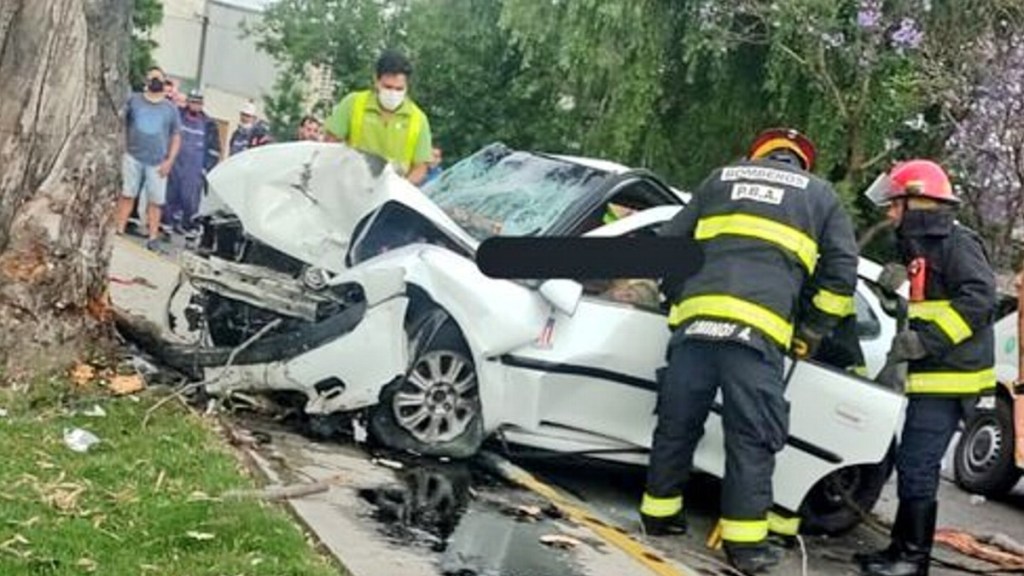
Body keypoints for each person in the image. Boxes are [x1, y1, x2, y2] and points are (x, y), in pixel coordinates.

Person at [640, 128, 859, 574]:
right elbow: (841, 275)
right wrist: (813, 329)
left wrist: (677, 301)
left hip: (696, 327)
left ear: (757, 154)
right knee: (752, 438)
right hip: (757, 337)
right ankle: (745, 546)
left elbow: (668, 244)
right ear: (801, 162)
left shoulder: (720, 179)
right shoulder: (820, 196)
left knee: (677, 422)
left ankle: (659, 516)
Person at [854, 160, 996, 576]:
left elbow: (980, 301)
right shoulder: (922, 246)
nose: (889, 213)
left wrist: (926, 341)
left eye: (895, 204)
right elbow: (932, 303)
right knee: (913, 462)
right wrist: (898, 292)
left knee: (918, 463)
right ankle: (899, 550)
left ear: (917, 202)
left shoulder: (955, 243)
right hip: (934, 375)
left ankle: (912, 560)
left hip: (951, 378)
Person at [324, 50, 433, 185]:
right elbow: (329, 144)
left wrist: (402, 187)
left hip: (392, 193)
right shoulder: (353, 103)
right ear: (376, 80)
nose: (393, 93)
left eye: (399, 89)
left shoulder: (418, 119)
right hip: (352, 186)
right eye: (388, 87)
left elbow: (421, 167)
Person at [115, 66, 181, 251]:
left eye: (159, 78)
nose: (155, 81)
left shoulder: (170, 109)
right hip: (133, 156)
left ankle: (153, 237)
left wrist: (170, 160)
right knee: (127, 194)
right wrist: (122, 146)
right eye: (152, 78)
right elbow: (122, 122)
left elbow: (176, 136)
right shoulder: (134, 100)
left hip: (157, 162)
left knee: (155, 201)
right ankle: (119, 228)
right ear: (146, 81)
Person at [165, 90, 221, 239]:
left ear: (202, 105)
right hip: (175, 163)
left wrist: (206, 169)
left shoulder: (209, 124)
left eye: (198, 102)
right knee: (170, 196)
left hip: (194, 168)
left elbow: (215, 150)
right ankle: (166, 225)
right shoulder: (177, 116)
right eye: (192, 101)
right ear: (188, 102)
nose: (195, 105)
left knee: (190, 199)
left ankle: (190, 228)